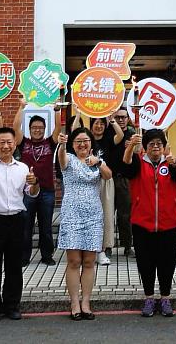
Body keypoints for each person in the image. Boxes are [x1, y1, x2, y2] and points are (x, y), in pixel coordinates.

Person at [0, 127, 39, 322]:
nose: (5, 146)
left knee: (14, 264)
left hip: (17, 219)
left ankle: (12, 303)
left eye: (9, 142)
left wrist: (34, 182)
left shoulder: (23, 167)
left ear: (15, 144)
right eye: (1, 142)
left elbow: (32, 192)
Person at [120, 129, 176, 318]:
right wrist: (131, 145)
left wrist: (174, 162)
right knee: (145, 263)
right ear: (145, 148)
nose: (155, 147)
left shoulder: (171, 163)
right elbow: (126, 165)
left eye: (159, 144)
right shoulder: (138, 163)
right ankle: (148, 297)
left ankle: (165, 298)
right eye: (151, 144)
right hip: (142, 223)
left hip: (169, 223)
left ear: (164, 146)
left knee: (167, 263)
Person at [57, 127, 113, 320]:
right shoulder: (69, 160)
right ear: (73, 144)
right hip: (72, 215)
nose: (82, 144)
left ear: (91, 143)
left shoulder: (96, 161)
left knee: (89, 262)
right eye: (78, 141)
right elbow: (61, 157)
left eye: (85, 140)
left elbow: (108, 175)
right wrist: (62, 144)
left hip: (93, 216)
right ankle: (74, 303)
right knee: (74, 261)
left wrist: (98, 162)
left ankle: (86, 302)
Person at [14, 96, 61, 266]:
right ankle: (24, 257)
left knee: (46, 226)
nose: (37, 130)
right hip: (27, 192)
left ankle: (47, 256)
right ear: (29, 128)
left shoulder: (50, 142)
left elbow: (58, 129)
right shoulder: (23, 142)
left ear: (44, 129)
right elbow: (15, 128)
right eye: (34, 127)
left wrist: (56, 110)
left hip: (47, 190)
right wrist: (21, 107)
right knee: (25, 226)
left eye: (40, 128)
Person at [72, 113, 124, 265]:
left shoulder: (109, 139)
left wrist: (111, 118)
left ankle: (102, 250)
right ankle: (85, 249)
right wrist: (79, 113)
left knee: (105, 216)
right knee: (85, 216)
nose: (99, 126)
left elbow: (120, 135)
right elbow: (74, 131)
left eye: (102, 123)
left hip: (105, 180)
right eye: (96, 123)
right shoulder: (86, 140)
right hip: (86, 181)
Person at [110, 106, 135, 257]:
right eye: (118, 117)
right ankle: (107, 246)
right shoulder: (108, 132)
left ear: (128, 119)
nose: (120, 120)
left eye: (123, 117)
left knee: (125, 215)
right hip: (109, 179)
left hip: (125, 179)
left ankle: (127, 246)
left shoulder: (133, 134)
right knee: (107, 214)